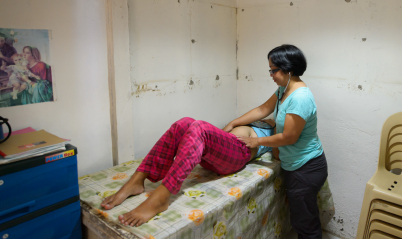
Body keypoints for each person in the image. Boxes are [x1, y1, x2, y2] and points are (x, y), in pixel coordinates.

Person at [227, 44, 328, 239]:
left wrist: (256, 142)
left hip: (306, 168)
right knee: (302, 218)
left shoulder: (300, 97)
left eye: (274, 70)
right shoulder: (284, 89)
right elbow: (263, 109)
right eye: (270, 70)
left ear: (288, 69)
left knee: (305, 224)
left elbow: (289, 136)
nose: (271, 75)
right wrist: (233, 122)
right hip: (295, 164)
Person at [100, 117, 274, 227]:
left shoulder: (278, 127)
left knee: (200, 128)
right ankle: (137, 180)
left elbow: (285, 143)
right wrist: (231, 125)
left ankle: (163, 195)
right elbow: (261, 109)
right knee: (182, 124)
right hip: (221, 151)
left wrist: (258, 141)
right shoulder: (266, 110)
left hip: (238, 154)